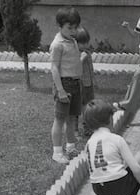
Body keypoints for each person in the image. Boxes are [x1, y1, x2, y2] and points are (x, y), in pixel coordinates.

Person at [84, 99, 140, 195]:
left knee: (107, 173)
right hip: (120, 186)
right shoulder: (116, 139)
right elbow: (136, 168)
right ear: (110, 119)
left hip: (98, 188)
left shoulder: (89, 143)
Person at [50, 7, 82, 164]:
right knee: (60, 119)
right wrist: (61, 90)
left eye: (75, 27)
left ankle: (70, 147)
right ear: (60, 25)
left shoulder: (73, 40)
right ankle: (57, 152)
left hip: (75, 83)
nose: (73, 31)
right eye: (69, 27)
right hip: (64, 85)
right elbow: (54, 68)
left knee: (71, 118)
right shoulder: (58, 44)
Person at [76, 26, 95, 137]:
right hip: (80, 85)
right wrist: (81, 59)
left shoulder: (87, 52)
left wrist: (93, 81)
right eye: (82, 43)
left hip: (88, 84)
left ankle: (87, 127)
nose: (85, 45)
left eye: (86, 43)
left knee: (89, 106)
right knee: (78, 107)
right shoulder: (75, 54)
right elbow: (74, 68)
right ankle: (75, 130)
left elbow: (90, 68)